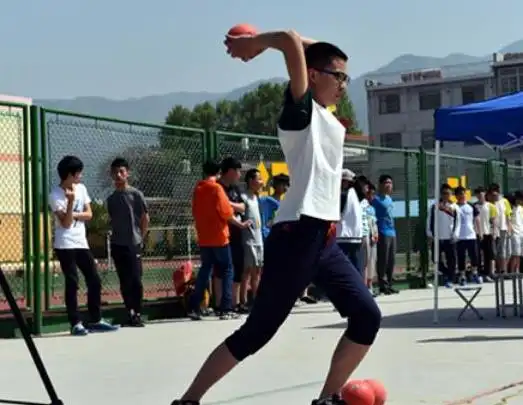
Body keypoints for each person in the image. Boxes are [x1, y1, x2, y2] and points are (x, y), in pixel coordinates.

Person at [172, 30, 381, 405]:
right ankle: (188, 401)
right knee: (257, 332)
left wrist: (314, 52)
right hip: (297, 235)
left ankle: (327, 399)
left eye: (346, 77)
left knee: (367, 316)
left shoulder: (327, 115)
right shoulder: (300, 113)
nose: (344, 85)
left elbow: (309, 47)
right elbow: (288, 38)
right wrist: (254, 44)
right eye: (339, 77)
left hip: (324, 239)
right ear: (312, 76)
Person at [49, 155, 118, 336]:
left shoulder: (82, 189)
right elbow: (65, 224)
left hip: (81, 242)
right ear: (69, 175)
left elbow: (89, 214)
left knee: (94, 279)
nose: (81, 176)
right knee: (72, 282)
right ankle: (75, 324)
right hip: (65, 244)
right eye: (78, 173)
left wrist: (73, 213)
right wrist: (71, 202)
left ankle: (95, 319)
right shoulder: (55, 195)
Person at [190, 160, 248, 321]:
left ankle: (194, 307)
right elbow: (226, 212)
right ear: (219, 172)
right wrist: (241, 224)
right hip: (219, 236)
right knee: (228, 269)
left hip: (204, 236)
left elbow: (194, 210)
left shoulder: (198, 188)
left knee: (206, 269)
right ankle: (226, 308)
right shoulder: (216, 188)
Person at [106, 157, 149, 327]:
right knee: (124, 280)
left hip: (133, 243)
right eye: (115, 172)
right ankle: (129, 312)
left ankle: (137, 312)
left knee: (136, 279)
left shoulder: (136, 195)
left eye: (121, 171)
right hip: (118, 244)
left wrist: (141, 238)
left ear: (127, 173)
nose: (118, 175)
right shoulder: (111, 199)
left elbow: (145, 218)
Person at [216, 157, 247, 315]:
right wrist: (230, 206)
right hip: (222, 234)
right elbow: (220, 208)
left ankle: (234, 303)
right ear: (229, 171)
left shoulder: (235, 188)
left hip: (237, 234)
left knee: (237, 267)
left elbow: (242, 207)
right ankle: (220, 304)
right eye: (238, 171)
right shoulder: (217, 187)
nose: (239, 175)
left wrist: (229, 204)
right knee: (221, 270)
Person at [239, 169, 264, 312]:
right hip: (248, 240)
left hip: (259, 239)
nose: (261, 182)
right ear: (250, 181)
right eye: (258, 179)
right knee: (248, 271)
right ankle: (243, 301)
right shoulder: (244, 198)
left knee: (258, 271)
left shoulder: (256, 198)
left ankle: (256, 300)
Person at [426, 183, 460, 288]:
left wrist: (455, 234)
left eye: (448, 193)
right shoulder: (434, 206)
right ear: (441, 194)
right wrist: (429, 233)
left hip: (450, 238)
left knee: (451, 260)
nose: (446, 195)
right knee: (435, 259)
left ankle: (450, 279)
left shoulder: (454, 207)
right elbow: (429, 220)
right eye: (444, 193)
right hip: (437, 238)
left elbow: (457, 222)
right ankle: (447, 273)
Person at [372, 174, 398, 295]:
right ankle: (382, 285)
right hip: (382, 232)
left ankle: (390, 284)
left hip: (392, 232)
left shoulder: (389, 199)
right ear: (381, 185)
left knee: (392, 260)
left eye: (390, 183)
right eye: (387, 183)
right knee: (383, 259)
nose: (389, 185)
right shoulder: (375, 200)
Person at [336, 169, 363, 274]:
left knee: (342, 267)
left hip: (343, 236)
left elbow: (336, 215)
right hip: (356, 236)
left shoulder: (343, 195)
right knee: (356, 265)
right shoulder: (355, 194)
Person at [454, 186, 481, 285]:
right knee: (461, 256)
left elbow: (477, 219)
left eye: (463, 194)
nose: (462, 196)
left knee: (474, 256)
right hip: (459, 236)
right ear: (456, 196)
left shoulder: (471, 206)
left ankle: (474, 273)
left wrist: (479, 232)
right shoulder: (454, 207)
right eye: (460, 194)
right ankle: (462, 276)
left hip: (471, 235)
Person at [475, 186, 497, 281]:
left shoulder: (490, 206)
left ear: (485, 194)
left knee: (489, 254)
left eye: (482, 193)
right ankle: (479, 273)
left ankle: (488, 273)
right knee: (477, 255)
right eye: (478, 194)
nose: (480, 196)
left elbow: (493, 220)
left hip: (487, 233)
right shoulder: (474, 206)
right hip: (476, 233)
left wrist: (494, 232)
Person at [489, 183, 512, 274]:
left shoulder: (504, 201)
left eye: (495, 194)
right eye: (492, 194)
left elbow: (508, 215)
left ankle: (503, 270)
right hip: (494, 230)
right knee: (497, 251)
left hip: (503, 228)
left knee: (505, 251)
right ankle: (499, 270)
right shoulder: (490, 203)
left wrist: (509, 227)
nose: (494, 196)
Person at [365, 183, 379, 296]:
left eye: (373, 194)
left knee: (372, 261)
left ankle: (370, 285)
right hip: (365, 238)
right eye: (370, 194)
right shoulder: (361, 207)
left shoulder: (372, 208)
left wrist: (376, 234)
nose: (371, 197)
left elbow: (374, 223)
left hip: (373, 238)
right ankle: (365, 286)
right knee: (365, 262)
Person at [508, 191, 523, 273]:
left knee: (519, 254)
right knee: (515, 254)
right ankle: (512, 272)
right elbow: (509, 220)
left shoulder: (521, 208)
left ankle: (517, 271)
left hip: (521, 233)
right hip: (515, 233)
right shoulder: (511, 208)